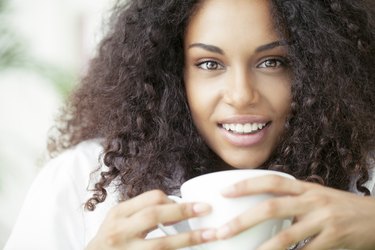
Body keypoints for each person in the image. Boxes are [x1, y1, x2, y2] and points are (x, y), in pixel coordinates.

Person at [4, 0, 375, 249]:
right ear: (170, 74)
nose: (241, 95)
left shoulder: (364, 182)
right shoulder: (78, 179)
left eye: (273, 62)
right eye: (210, 64)